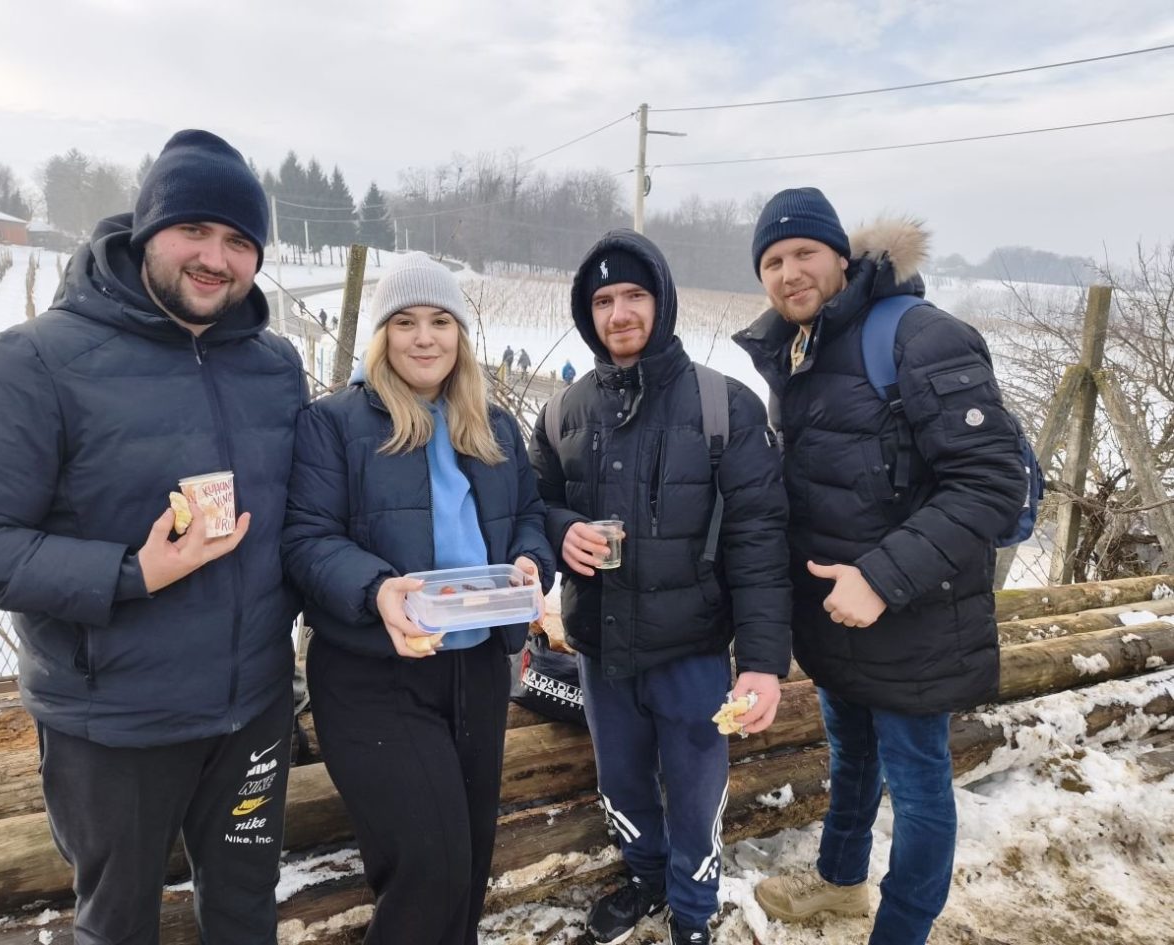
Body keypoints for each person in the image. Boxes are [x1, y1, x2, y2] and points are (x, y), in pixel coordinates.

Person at [0, 130, 307, 944]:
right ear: (146, 230)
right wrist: (130, 572)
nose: (216, 258)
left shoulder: (273, 365)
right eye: (194, 229)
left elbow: (303, 520)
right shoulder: (37, 361)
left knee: (246, 907)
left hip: (254, 711)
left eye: (240, 241)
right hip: (116, 723)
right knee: (119, 924)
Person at [733, 188, 1028, 945]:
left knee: (920, 786)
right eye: (772, 261)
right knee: (852, 754)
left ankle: (900, 931)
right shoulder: (801, 348)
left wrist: (881, 578)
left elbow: (990, 482)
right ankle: (839, 882)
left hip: (914, 614)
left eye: (804, 253)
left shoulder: (919, 336)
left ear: (843, 255)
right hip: (839, 614)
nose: (789, 273)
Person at [282, 251, 555, 945]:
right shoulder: (335, 424)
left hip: (477, 669)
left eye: (440, 320)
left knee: (468, 867)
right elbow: (306, 539)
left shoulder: (492, 425)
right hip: (374, 674)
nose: (425, 337)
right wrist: (377, 589)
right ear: (382, 335)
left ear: (461, 333)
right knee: (430, 869)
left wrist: (532, 561)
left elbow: (529, 515)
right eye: (405, 322)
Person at [529, 229, 792, 945]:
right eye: (603, 301)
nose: (619, 313)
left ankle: (693, 912)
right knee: (622, 782)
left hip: (693, 651)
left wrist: (762, 663)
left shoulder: (724, 406)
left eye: (634, 295)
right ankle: (645, 878)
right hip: (600, 649)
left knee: (697, 794)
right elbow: (530, 507)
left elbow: (761, 542)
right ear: (587, 313)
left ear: (663, 301)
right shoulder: (562, 412)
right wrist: (560, 529)